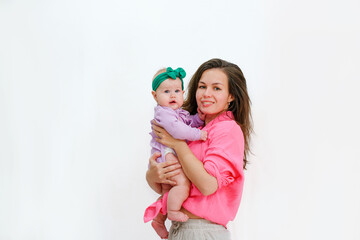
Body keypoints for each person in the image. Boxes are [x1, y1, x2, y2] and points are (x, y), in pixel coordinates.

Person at [146, 58, 253, 239]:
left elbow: (207, 185)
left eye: (216, 88)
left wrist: (178, 145)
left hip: (201, 231)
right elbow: (172, 186)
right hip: (180, 228)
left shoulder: (227, 129)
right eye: (202, 86)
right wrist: (152, 176)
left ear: (231, 96)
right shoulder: (193, 128)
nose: (206, 93)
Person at [145, 67, 208, 239]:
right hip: (167, 152)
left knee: (168, 192)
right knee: (182, 185)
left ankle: (158, 220)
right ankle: (172, 211)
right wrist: (198, 133)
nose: (173, 95)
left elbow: (187, 122)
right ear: (155, 95)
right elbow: (178, 130)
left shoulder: (177, 112)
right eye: (166, 91)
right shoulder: (164, 114)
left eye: (177, 91)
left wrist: (199, 119)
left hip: (170, 151)